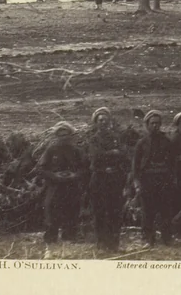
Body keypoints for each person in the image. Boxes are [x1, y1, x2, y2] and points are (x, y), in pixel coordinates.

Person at [36, 121, 86, 257]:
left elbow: (85, 169)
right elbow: (41, 168)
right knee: (51, 218)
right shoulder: (51, 150)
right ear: (56, 136)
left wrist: (74, 175)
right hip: (55, 189)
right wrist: (54, 176)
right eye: (60, 135)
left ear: (70, 135)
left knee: (71, 217)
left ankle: (66, 249)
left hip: (72, 188)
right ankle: (50, 249)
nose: (64, 138)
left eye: (66, 135)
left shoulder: (77, 151)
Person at [85, 107, 128, 255]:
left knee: (114, 211)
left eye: (105, 120)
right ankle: (102, 244)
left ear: (109, 121)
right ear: (96, 122)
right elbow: (95, 156)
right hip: (99, 179)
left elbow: (123, 154)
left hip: (114, 179)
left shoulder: (116, 138)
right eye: (100, 120)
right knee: (100, 212)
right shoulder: (93, 139)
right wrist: (113, 153)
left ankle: (114, 244)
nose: (103, 122)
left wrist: (111, 155)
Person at [131, 110, 176, 248]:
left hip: (163, 179)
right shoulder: (142, 143)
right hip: (147, 180)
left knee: (165, 210)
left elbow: (172, 163)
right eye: (152, 123)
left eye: (157, 123)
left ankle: (167, 238)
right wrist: (137, 182)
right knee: (147, 210)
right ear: (147, 125)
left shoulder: (167, 141)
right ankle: (148, 239)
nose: (155, 126)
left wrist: (171, 179)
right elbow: (135, 166)